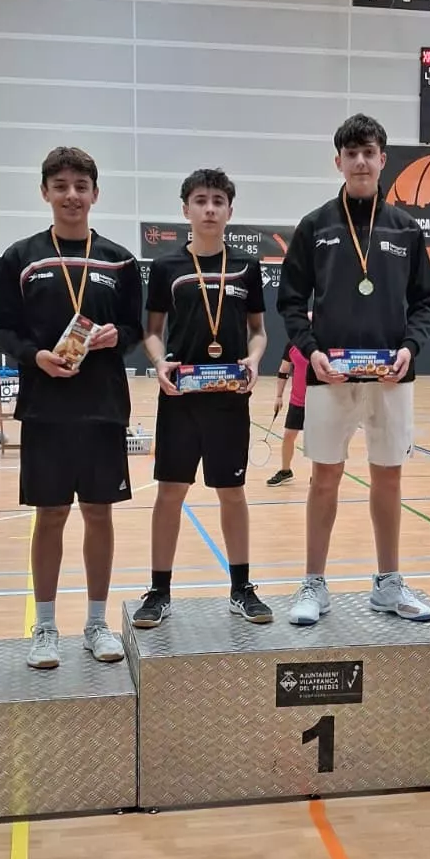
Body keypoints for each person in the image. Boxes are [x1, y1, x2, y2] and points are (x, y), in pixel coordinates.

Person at [277, 113, 430, 626]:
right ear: (339, 162)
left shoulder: (406, 229)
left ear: (383, 159)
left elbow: (425, 300)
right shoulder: (315, 226)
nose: (361, 161)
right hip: (330, 376)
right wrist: (311, 351)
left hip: (392, 377)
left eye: (369, 152)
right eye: (352, 154)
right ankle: (314, 584)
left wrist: (411, 347)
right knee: (324, 478)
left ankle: (388, 584)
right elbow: (290, 301)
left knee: (388, 478)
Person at [0, 146, 143, 669]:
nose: (71, 195)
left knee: (99, 514)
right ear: (45, 192)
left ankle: (97, 623)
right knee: (50, 515)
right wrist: (34, 356)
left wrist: (115, 337)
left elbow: (135, 329)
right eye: (61, 186)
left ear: (95, 193)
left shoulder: (120, 260)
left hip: (103, 408)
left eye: (81, 186)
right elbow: (0, 329)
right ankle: (46, 626)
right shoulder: (21, 258)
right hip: (45, 409)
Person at [133, 169, 271, 628]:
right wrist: (159, 363)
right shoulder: (167, 268)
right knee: (170, 492)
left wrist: (254, 360)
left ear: (230, 209)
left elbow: (258, 331)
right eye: (200, 200)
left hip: (229, 397)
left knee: (232, 492)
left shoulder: (247, 267)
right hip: (181, 396)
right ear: (185, 209)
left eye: (217, 201)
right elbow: (153, 332)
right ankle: (159, 591)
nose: (209, 208)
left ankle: (241, 588)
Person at [267, 339, 308, 486]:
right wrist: (279, 396)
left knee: (318, 439)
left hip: (319, 399)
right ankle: (285, 471)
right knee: (288, 435)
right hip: (298, 400)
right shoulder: (292, 345)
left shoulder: (324, 341)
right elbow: (284, 370)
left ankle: (318, 474)